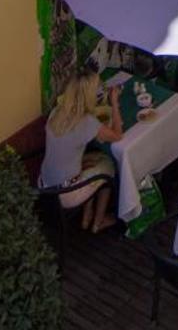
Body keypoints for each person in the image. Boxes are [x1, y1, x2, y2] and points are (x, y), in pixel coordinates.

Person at [40, 64, 124, 232]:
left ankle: (87, 215)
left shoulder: (57, 111)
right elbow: (117, 135)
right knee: (108, 165)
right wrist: (114, 102)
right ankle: (97, 222)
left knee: (92, 159)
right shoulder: (87, 122)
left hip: (45, 184)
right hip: (67, 193)